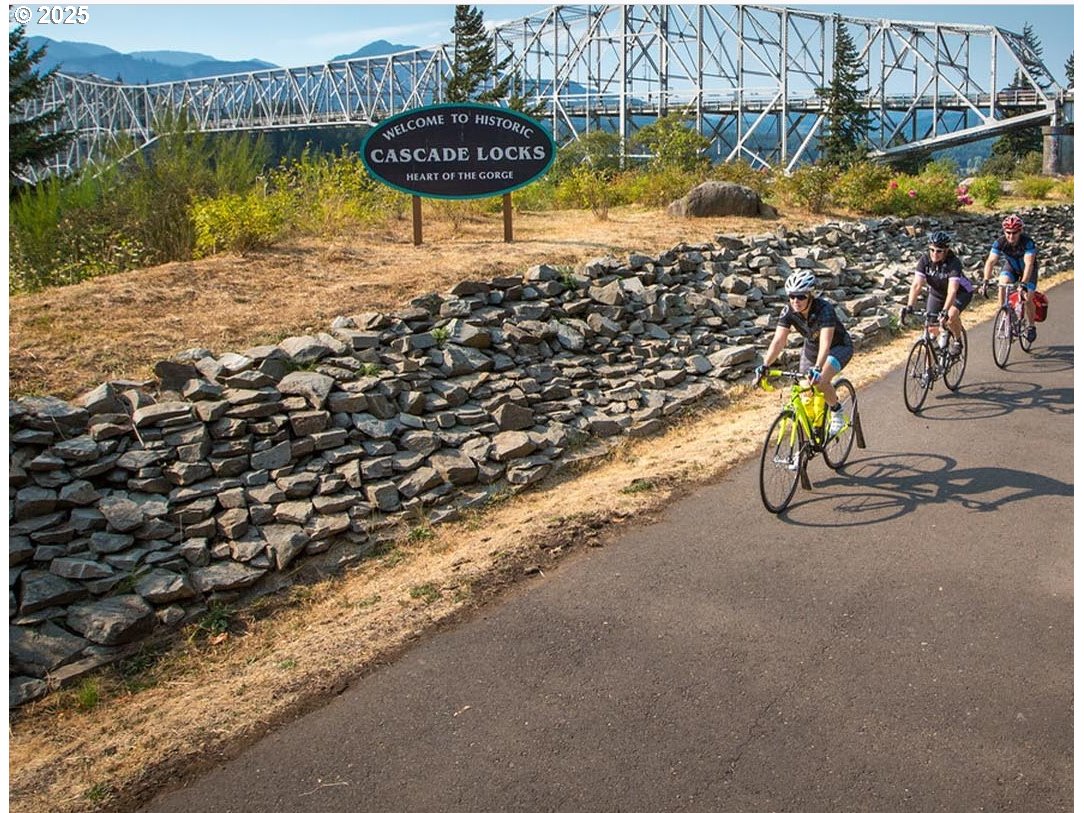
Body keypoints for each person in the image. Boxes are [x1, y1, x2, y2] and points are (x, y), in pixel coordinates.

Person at [754, 269, 854, 436]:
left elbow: (825, 343)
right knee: (805, 387)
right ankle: (815, 429)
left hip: (838, 347)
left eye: (801, 296)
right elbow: (779, 341)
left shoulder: (824, 309)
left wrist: (817, 368)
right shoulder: (788, 311)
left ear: (810, 295)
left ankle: (836, 411)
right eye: (792, 296)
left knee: (821, 381)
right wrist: (765, 364)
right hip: (811, 348)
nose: (796, 300)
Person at [898, 230, 973, 357]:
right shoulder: (925, 260)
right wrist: (910, 306)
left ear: (946, 250)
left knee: (950, 315)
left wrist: (944, 311)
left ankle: (957, 341)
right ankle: (931, 367)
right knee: (931, 330)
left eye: (939, 251)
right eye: (932, 250)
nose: (934, 254)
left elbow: (952, 290)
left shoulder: (953, 263)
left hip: (962, 292)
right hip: (937, 293)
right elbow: (917, 285)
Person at [981, 213, 1039, 342]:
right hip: (1011, 267)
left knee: (1027, 298)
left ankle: (1031, 326)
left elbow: (1029, 264)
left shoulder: (1028, 242)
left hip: (1028, 270)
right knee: (1002, 283)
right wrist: (985, 280)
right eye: (1008, 232)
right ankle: (1005, 313)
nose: (1011, 236)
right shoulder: (1000, 242)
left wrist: (1023, 284)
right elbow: (990, 261)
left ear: (1020, 231)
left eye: (1014, 233)